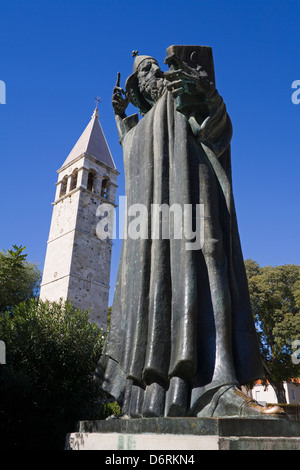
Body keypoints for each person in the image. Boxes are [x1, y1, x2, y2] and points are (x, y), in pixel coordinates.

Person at [95, 46, 284, 418]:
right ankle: (146, 397)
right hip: (152, 235)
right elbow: (131, 147)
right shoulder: (142, 129)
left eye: (153, 68)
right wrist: (120, 118)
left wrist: (208, 93)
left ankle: (217, 385)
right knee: (150, 292)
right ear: (136, 91)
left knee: (211, 271)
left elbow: (216, 130)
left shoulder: (182, 101)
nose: (154, 75)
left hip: (196, 214)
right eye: (145, 73)